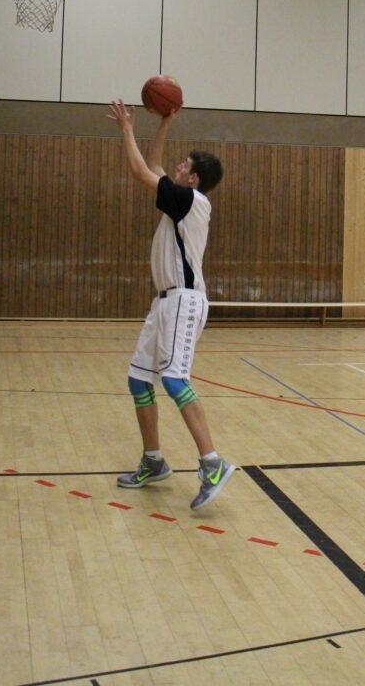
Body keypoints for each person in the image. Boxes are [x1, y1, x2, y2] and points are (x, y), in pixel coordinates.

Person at [107, 98, 235, 510]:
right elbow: (155, 165)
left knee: (175, 381)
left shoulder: (191, 200)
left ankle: (213, 463)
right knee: (138, 380)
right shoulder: (181, 197)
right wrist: (164, 122)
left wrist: (127, 129)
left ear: (193, 178)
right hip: (163, 302)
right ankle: (154, 461)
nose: (176, 166)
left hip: (184, 300)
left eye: (184, 165)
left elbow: (140, 171)